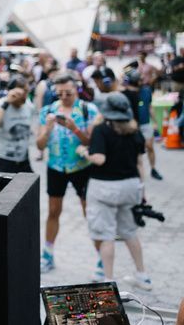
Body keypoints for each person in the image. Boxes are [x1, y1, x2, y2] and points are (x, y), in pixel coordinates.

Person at [79, 93, 151, 290]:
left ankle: (108, 280)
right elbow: (139, 163)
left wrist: (85, 153)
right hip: (131, 186)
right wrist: (142, 190)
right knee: (129, 232)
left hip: (104, 188)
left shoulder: (102, 130)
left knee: (106, 235)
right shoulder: (136, 132)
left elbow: (100, 159)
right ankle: (142, 275)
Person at [37, 74, 100, 274]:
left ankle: (101, 257)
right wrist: (47, 130)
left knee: (88, 211)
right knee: (53, 210)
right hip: (55, 167)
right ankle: (47, 254)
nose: (63, 96)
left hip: (81, 167)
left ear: (77, 90)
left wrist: (73, 128)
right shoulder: (48, 111)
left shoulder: (88, 110)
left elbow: (90, 142)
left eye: (68, 92)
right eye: (59, 92)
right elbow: (39, 145)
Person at [0, 75, 35, 173]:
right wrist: (7, 102)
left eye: (26, 91)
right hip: (3, 160)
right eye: (21, 91)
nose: (24, 95)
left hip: (23, 159)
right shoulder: (0, 104)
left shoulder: (28, 106)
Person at [122, 70, 162, 180]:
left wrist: (155, 123)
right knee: (134, 151)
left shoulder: (146, 91)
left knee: (149, 146)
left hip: (145, 124)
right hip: (132, 126)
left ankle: (153, 169)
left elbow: (149, 107)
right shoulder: (127, 93)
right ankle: (136, 171)